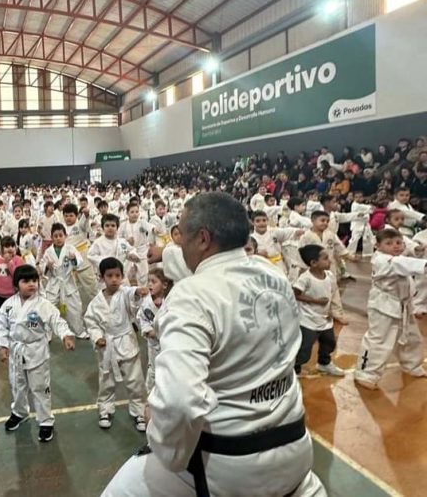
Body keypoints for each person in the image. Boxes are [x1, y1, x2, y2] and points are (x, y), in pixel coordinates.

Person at [103, 192, 326, 497]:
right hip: (296, 447)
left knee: (119, 491)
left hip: (232, 464)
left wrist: (158, 428)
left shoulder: (191, 297)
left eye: (182, 233)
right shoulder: (274, 274)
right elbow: (205, 270)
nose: (177, 242)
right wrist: (162, 252)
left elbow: (180, 403)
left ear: (203, 239)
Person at [0, 264, 76, 443]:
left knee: (40, 387)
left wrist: (66, 336)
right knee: (17, 385)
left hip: (36, 350)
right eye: (26, 281)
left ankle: (45, 421)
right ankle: (19, 412)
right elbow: (0, 326)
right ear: (16, 285)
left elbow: (57, 320)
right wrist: (2, 346)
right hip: (16, 351)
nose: (31, 284)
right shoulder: (8, 305)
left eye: (34, 281)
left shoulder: (43, 305)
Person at [354, 228, 427, 390]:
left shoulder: (398, 255)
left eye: (398, 243)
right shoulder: (381, 260)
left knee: (412, 337)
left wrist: (416, 247)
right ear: (377, 245)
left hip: (403, 305)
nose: (395, 246)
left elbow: (408, 244)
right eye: (389, 243)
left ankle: (411, 365)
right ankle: (365, 373)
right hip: (383, 306)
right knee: (379, 340)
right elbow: (403, 264)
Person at [85, 257, 149, 432]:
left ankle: (139, 411)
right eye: (110, 276)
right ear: (101, 278)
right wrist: (97, 337)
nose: (114, 279)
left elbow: (132, 293)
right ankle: (105, 409)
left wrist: (138, 291)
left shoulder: (125, 293)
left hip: (127, 341)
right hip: (107, 345)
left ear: (122, 276)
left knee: (135, 380)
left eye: (117, 275)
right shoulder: (96, 302)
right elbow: (91, 322)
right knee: (106, 381)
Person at [293, 246, 345, 377]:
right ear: (313, 263)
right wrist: (315, 301)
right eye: (325, 258)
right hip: (308, 321)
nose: (330, 260)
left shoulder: (329, 276)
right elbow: (296, 294)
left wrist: (332, 311)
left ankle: (324, 363)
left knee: (329, 342)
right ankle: (294, 370)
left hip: (325, 319)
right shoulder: (306, 278)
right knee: (305, 348)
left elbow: (332, 294)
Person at [41, 224, 88, 338]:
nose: (58, 238)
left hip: (68, 283)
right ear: (52, 237)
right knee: (48, 308)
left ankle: (79, 331)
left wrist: (74, 259)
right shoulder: (48, 251)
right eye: (55, 236)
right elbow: (42, 268)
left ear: (65, 236)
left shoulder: (70, 249)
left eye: (60, 235)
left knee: (75, 307)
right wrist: (47, 266)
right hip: (54, 284)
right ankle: (46, 335)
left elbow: (79, 263)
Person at [136, 268, 172, 391]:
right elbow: (141, 319)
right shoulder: (146, 303)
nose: (149, 284)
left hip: (169, 343)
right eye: (148, 281)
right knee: (153, 372)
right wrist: (148, 330)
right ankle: (150, 398)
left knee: (170, 371)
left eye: (153, 281)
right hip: (154, 345)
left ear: (165, 285)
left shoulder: (171, 302)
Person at [0, 236, 24, 346]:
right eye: (7, 246)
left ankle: (14, 341)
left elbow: (18, 276)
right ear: (1, 248)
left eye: (12, 246)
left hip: (12, 296)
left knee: (13, 319)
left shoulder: (18, 260)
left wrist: (10, 263)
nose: (10, 249)